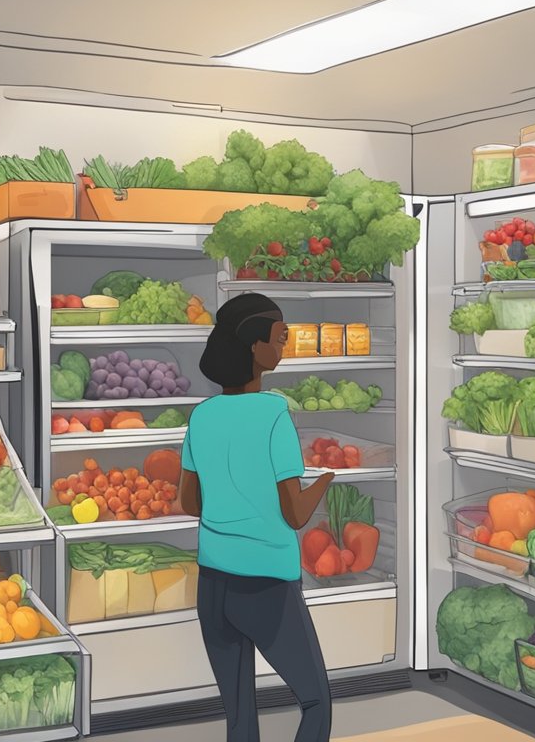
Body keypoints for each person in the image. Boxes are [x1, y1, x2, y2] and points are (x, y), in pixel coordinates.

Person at [179, 293, 334, 742]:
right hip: (266, 583)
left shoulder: (202, 415)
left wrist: (231, 503)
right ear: (254, 346)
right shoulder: (274, 416)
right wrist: (325, 481)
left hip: (214, 583)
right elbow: (295, 513)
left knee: (240, 716)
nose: (283, 347)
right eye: (280, 338)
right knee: (315, 701)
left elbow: (191, 503)